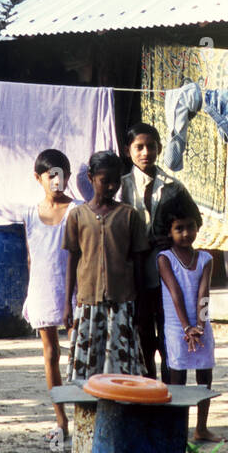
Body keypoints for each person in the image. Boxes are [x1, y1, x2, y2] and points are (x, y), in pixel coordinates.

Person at [119, 121, 197, 379]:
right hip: (133, 275)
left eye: (151, 147)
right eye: (139, 147)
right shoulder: (120, 188)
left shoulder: (173, 188)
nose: (145, 153)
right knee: (141, 336)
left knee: (168, 335)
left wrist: (172, 240)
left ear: (159, 149)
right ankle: (148, 392)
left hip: (168, 275)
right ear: (127, 149)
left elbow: (194, 222)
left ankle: (171, 394)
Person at [63, 151, 147, 379]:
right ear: (90, 178)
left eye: (116, 181)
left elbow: (138, 262)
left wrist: (139, 304)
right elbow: (73, 259)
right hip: (88, 301)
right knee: (89, 368)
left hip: (121, 301)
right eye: (104, 181)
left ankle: (120, 413)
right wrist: (68, 303)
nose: (111, 187)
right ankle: (90, 413)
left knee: (120, 367)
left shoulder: (129, 216)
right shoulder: (77, 216)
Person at [156, 197, 223, 443]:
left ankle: (201, 428)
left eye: (190, 227)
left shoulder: (206, 259)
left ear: (198, 226)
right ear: (169, 231)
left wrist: (200, 326)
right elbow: (176, 293)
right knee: (178, 378)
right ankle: (177, 430)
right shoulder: (165, 258)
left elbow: (203, 294)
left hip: (200, 326)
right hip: (178, 328)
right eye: (179, 228)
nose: (186, 233)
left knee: (205, 375)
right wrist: (187, 327)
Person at [22, 148, 76, 439]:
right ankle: (61, 420)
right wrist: (33, 292)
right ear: (38, 178)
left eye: (62, 175)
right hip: (43, 288)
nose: (57, 181)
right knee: (51, 353)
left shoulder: (78, 210)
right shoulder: (30, 213)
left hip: (74, 292)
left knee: (78, 355)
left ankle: (84, 418)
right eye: (50, 175)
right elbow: (32, 256)